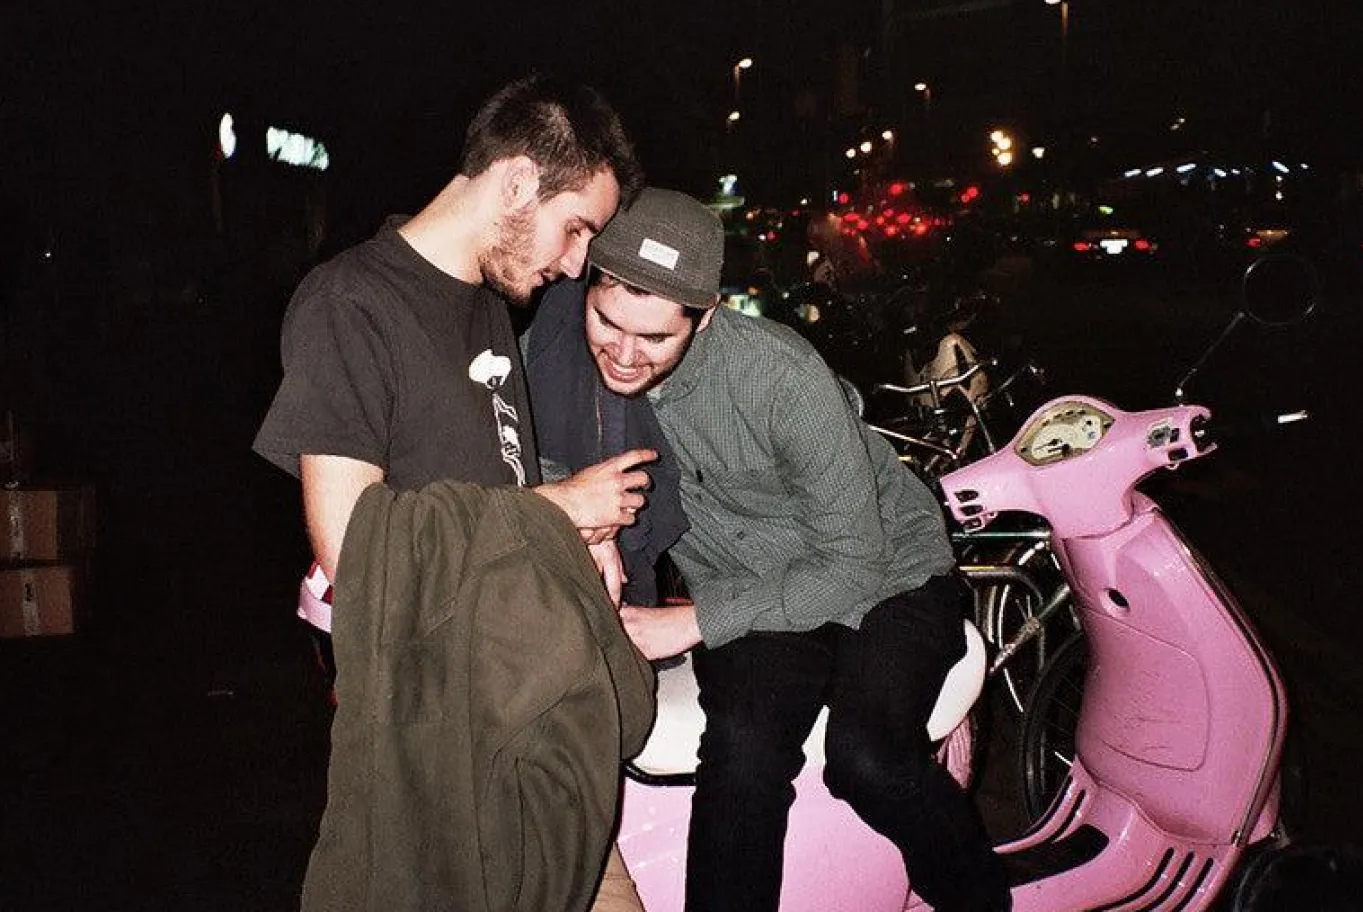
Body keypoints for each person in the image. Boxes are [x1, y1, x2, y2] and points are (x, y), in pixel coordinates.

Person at [252, 73, 655, 912]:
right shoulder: (351, 303)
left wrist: (580, 537)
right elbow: (355, 548)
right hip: (441, 744)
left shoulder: (487, 308)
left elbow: (496, 488)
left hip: (528, 702)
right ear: (516, 183)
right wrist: (559, 510)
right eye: (575, 227)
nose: (576, 263)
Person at [563, 187, 1011, 911]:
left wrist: (692, 621)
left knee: (867, 759)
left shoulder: (780, 378)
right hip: (754, 586)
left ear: (706, 317)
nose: (623, 353)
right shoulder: (567, 354)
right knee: (741, 752)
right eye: (607, 321)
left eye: (654, 338)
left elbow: (852, 563)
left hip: (886, 574)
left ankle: (980, 899)